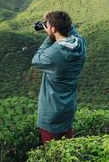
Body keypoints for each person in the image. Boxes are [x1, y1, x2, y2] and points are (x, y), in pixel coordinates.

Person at [32, 11, 87, 145]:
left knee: (51, 155)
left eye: (48, 26)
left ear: (53, 29)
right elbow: (71, 29)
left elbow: (36, 59)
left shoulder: (53, 54)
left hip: (50, 111)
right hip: (68, 107)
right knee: (67, 149)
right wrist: (56, 23)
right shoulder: (80, 44)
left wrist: (49, 36)